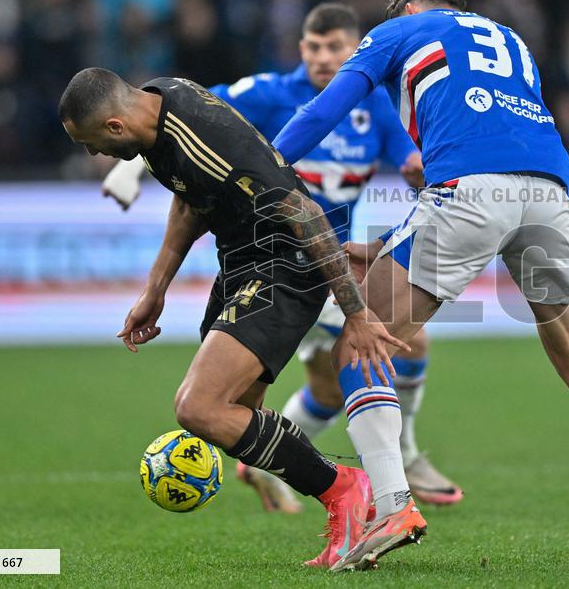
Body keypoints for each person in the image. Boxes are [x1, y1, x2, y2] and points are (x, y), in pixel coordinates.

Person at [272, 0, 569, 570]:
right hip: (549, 193)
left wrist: (261, 167)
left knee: (360, 345)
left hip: (468, 192)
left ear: (406, 8)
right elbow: (498, 152)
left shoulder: (398, 31)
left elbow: (322, 112)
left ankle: (392, 506)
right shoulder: (511, 41)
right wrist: (392, 240)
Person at [102, 3, 464, 511]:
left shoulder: (376, 106)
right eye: (314, 47)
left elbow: (410, 157)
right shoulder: (268, 93)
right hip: (280, 260)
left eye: (335, 47)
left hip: (329, 259)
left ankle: (294, 466)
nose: (323, 57)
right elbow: (176, 119)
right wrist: (131, 168)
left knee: (333, 384)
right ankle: (393, 463)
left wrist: (420, 168)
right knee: (397, 345)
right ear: (300, 49)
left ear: (356, 51)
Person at [58, 68, 409, 569]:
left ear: (115, 126)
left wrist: (355, 313)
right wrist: (156, 288)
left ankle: (345, 490)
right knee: (238, 415)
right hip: (242, 261)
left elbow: (306, 213)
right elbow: (189, 201)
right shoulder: (157, 111)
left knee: (199, 408)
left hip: (284, 264)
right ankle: (349, 501)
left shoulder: (203, 137)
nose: (96, 154)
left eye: (92, 143)